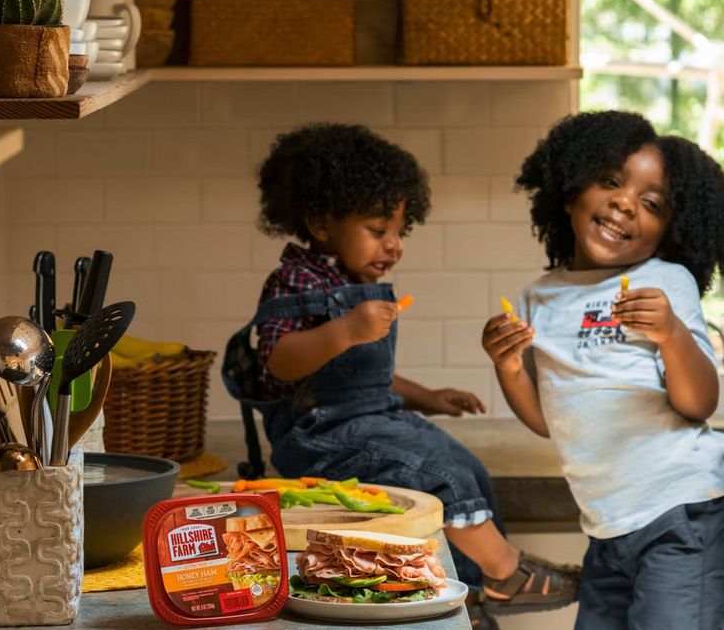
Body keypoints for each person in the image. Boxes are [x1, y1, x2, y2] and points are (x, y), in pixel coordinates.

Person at [223, 124, 577, 625]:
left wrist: (427, 396)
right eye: (377, 230)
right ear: (322, 223)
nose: (394, 246)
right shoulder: (297, 279)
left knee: (468, 466)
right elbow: (279, 361)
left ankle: (469, 587)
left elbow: (363, 379)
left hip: (372, 418)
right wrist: (345, 329)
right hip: (319, 434)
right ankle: (504, 575)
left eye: (399, 233)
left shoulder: (353, 282)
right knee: (439, 477)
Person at [483, 111, 724, 630]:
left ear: (670, 230)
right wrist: (508, 365)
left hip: (687, 513)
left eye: (651, 204)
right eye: (610, 182)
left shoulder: (665, 282)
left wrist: (671, 334)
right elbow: (547, 419)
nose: (626, 203)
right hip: (608, 528)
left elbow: (699, 404)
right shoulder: (539, 297)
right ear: (568, 191)